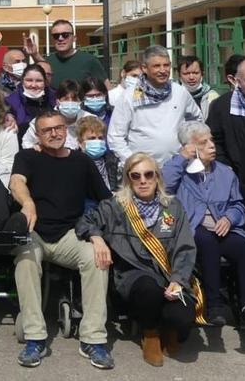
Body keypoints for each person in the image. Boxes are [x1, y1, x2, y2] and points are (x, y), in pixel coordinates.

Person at [11, 111, 114, 369]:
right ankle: (35, 338)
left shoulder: (81, 161)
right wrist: (28, 203)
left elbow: (106, 201)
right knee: (25, 259)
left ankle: (93, 339)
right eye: (47, 130)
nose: (54, 133)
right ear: (38, 134)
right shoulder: (27, 157)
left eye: (58, 128)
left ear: (66, 130)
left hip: (70, 234)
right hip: (34, 231)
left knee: (96, 258)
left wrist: (97, 235)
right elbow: (16, 182)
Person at [79, 153, 199, 367]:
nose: (143, 180)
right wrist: (96, 238)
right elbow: (85, 220)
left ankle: (168, 327)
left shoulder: (173, 207)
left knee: (183, 316)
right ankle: (150, 333)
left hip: (168, 275)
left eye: (148, 174)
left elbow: (185, 248)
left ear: (157, 178)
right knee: (148, 289)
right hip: (134, 278)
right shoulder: (115, 207)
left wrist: (178, 280)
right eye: (135, 176)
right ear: (128, 179)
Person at [162, 121, 245, 332]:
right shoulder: (179, 171)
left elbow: (238, 204)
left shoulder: (225, 172)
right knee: (206, 241)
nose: (212, 145)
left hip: (225, 227)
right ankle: (214, 305)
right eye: (204, 142)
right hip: (194, 229)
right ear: (189, 147)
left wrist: (229, 218)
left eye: (211, 140)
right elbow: (163, 187)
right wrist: (183, 158)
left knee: (243, 247)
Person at [108, 45, 202, 166]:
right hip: (143, 173)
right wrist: (132, 163)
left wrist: (189, 148)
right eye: (157, 66)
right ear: (144, 68)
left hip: (178, 167)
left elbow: (197, 121)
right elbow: (115, 136)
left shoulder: (180, 92)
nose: (163, 70)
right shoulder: (129, 96)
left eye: (166, 65)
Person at [206, 58, 245, 178]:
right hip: (236, 178)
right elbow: (213, 139)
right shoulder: (222, 106)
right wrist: (225, 167)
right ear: (237, 82)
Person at [26, 20, 109, 90]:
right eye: (56, 36)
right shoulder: (49, 61)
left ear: (74, 38)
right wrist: (34, 54)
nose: (60, 38)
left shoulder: (89, 61)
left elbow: (107, 88)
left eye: (65, 35)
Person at [22, 79, 85, 150]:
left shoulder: (90, 119)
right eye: (66, 99)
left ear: (81, 102)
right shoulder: (42, 120)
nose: (70, 102)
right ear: (58, 101)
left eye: (74, 99)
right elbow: (26, 143)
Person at [6, 64, 57, 140]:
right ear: (22, 81)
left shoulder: (54, 98)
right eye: (29, 80)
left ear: (45, 82)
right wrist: (7, 115)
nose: (33, 85)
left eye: (39, 81)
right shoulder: (10, 102)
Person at [76, 116, 119, 193]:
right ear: (80, 142)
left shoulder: (113, 161)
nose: (97, 141)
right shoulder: (73, 164)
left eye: (100, 138)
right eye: (92, 138)